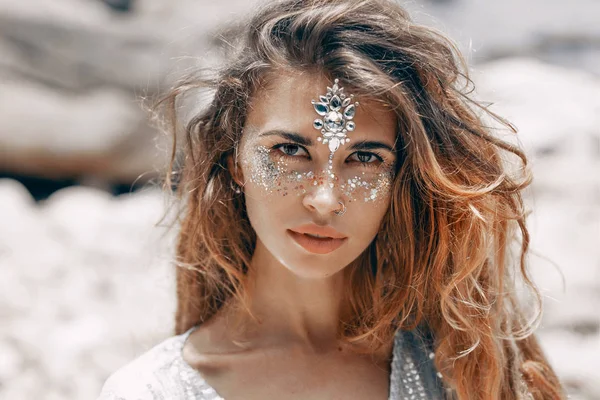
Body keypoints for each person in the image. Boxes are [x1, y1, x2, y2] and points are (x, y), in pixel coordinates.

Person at [98, 0, 566, 399]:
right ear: (235, 159)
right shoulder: (152, 391)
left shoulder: (464, 364)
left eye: (364, 158)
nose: (324, 200)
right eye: (290, 150)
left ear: (402, 174)